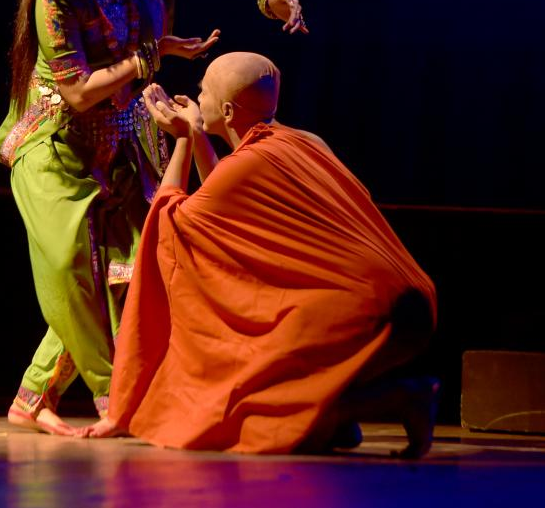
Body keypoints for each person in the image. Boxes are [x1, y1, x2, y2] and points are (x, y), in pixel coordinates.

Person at [0, 0, 307, 436]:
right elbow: (79, 92)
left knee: (134, 269)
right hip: (55, 143)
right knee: (73, 268)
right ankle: (114, 398)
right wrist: (148, 58)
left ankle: (33, 397)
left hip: (121, 138)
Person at [82, 52, 439, 456]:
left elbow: (171, 221)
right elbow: (223, 200)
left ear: (227, 111)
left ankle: (404, 397)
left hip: (364, 310)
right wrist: (198, 135)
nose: (197, 97)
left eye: (204, 91)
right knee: (305, 420)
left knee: (249, 417)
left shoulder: (247, 164)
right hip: (411, 298)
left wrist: (183, 138)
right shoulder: (307, 142)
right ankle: (336, 417)